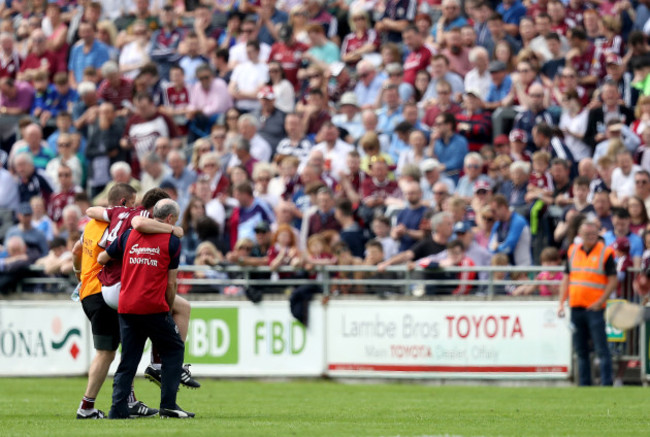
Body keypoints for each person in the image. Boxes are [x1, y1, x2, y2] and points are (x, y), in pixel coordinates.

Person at [100, 199, 194, 419]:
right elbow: (171, 284)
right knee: (173, 349)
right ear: (170, 218)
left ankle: (118, 408)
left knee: (129, 359)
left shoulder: (128, 235)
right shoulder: (172, 241)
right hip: (153, 307)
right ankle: (169, 406)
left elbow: (103, 257)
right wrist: (168, 309)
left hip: (126, 306)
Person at [558, 219, 616, 386]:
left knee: (601, 349)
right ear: (580, 235)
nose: (590, 237)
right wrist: (561, 302)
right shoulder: (572, 251)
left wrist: (600, 302)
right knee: (581, 350)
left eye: (593, 234)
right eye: (586, 234)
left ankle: (606, 383)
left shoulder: (606, 252)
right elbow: (566, 279)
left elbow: (612, 281)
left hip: (594, 309)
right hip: (576, 307)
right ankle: (584, 384)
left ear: (597, 235)